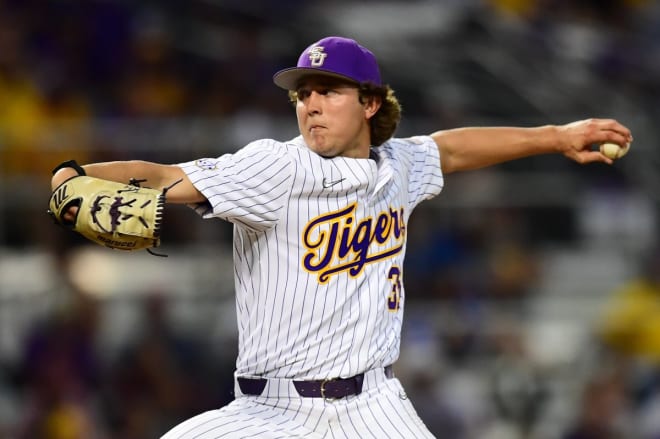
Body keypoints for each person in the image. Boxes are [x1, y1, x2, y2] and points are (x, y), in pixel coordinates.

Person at [50, 36, 633, 438]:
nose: (311, 105)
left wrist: (556, 135)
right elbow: (162, 176)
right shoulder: (275, 168)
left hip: (373, 406)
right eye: (304, 93)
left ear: (371, 103)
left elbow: (452, 148)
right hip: (268, 413)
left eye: (328, 90)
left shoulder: (398, 164)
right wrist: (70, 176)